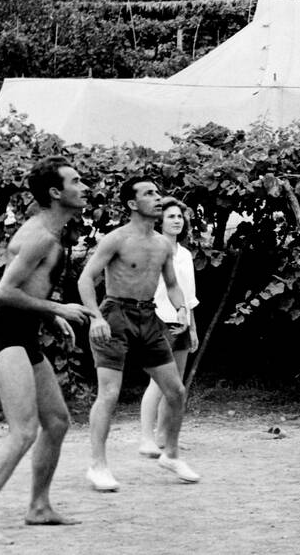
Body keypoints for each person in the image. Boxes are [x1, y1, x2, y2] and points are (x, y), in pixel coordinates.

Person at [0, 156, 93, 545]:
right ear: (55, 193)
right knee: (23, 431)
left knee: (57, 421)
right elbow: (4, 293)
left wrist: (49, 317)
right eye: (76, 181)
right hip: (5, 335)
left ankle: (38, 507)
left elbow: (29, 289)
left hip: (24, 334)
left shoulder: (51, 233)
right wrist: (58, 309)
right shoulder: (41, 237)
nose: (84, 187)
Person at [77, 177, 200, 490]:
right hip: (115, 315)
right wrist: (95, 318)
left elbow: (172, 285)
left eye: (158, 192)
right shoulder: (116, 239)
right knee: (109, 393)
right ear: (132, 204)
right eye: (149, 193)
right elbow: (86, 279)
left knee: (176, 391)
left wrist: (182, 309)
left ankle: (170, 454)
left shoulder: (162, 244)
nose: (157, 198)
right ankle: (97, 465)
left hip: (149, 316)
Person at [138, 197, 200, 458]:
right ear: (159, 221)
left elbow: (188, 296)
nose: (177, 221)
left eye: (179, 217)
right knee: (158, 382)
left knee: (175, 385)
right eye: (171, 216)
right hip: (157, 320)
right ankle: (146, 439)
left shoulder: (185, 254)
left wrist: (192, 328)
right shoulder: (151, 249)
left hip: (181, 323)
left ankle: (165, 436)